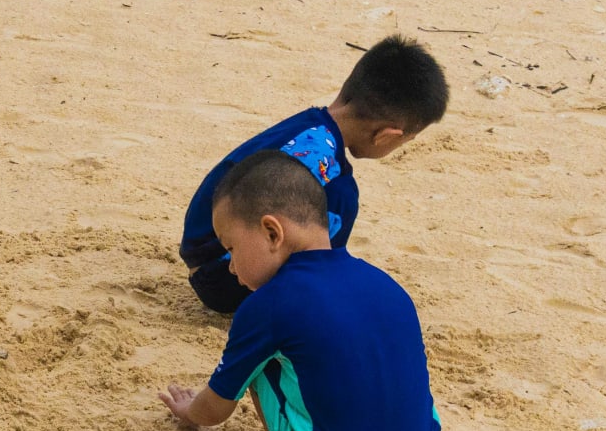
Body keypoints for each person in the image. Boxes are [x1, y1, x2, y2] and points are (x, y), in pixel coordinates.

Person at [159, 151, 440, 431]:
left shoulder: (268, 305)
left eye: (232, 248)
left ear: (271, 232)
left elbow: (216, 409)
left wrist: (187, 411)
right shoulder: (385, 283)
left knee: (258, 365)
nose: (231, 268)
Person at [179, 34, 448, 314]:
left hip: (202, 250)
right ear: (385, 136)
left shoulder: (301, 127)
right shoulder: (338, 187)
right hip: (224, 281)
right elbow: (320, 268)